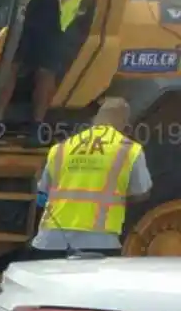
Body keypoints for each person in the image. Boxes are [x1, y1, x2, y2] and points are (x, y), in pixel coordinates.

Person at [0, 0, 110, 129]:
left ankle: (36, 126)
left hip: (59, 14)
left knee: (45, 71)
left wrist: (84, 5)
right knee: (12, 64)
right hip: (30, 7)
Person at [28, 95, 151, 254]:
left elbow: (43, 192)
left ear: (94, 120)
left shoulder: (61, 148)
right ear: (125, 125)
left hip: (51, 239)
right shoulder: (129, 149)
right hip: (99, 240)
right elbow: (141, 193)